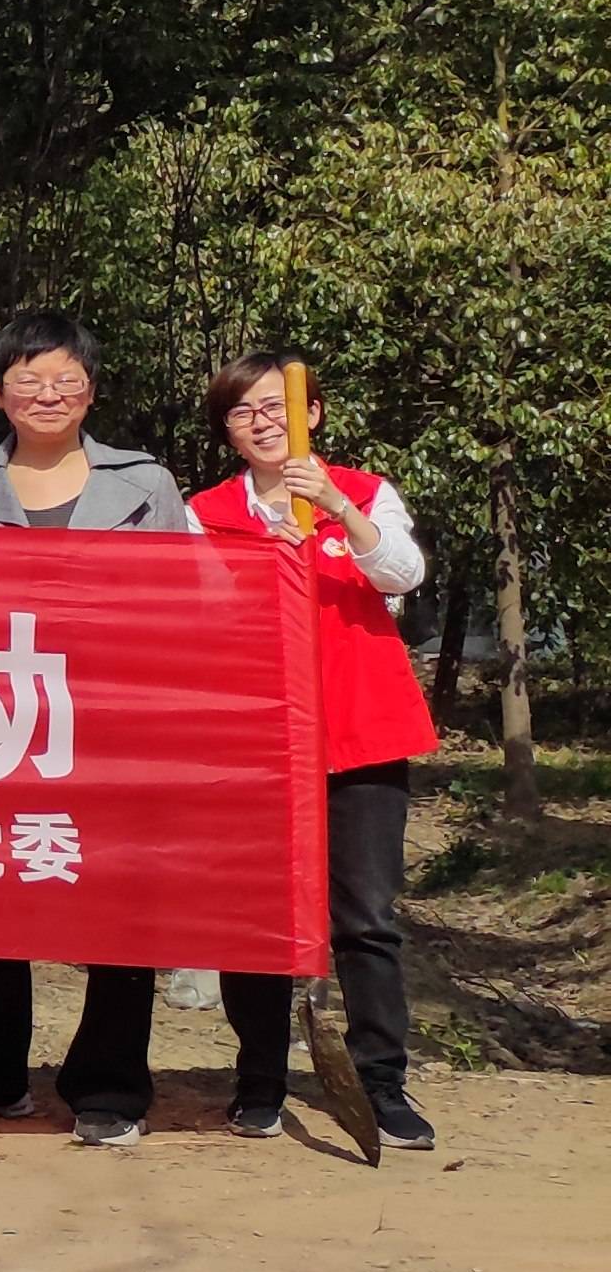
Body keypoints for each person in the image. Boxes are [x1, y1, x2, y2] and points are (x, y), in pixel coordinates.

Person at [0, 310, 196, 1146]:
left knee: (121, 898)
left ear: (91, 391)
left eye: (67, 379)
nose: (48, 394)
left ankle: (110, 1081)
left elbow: (181, 608)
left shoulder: (147, 485)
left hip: (116, 721)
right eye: (28, 379)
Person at [201, 351, 440, 1151]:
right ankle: (259, 1080)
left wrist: (335, 506)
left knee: (365, 917)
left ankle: (382, 1082)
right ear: (229, 432)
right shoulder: (208, 514)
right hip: (255, 743)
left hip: (361, 734)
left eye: (277, 406)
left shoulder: (362, 492)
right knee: (257, 917)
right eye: (243, 412)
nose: (262, 422)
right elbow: (196, 613)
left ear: (312, 414)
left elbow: (402, 574)